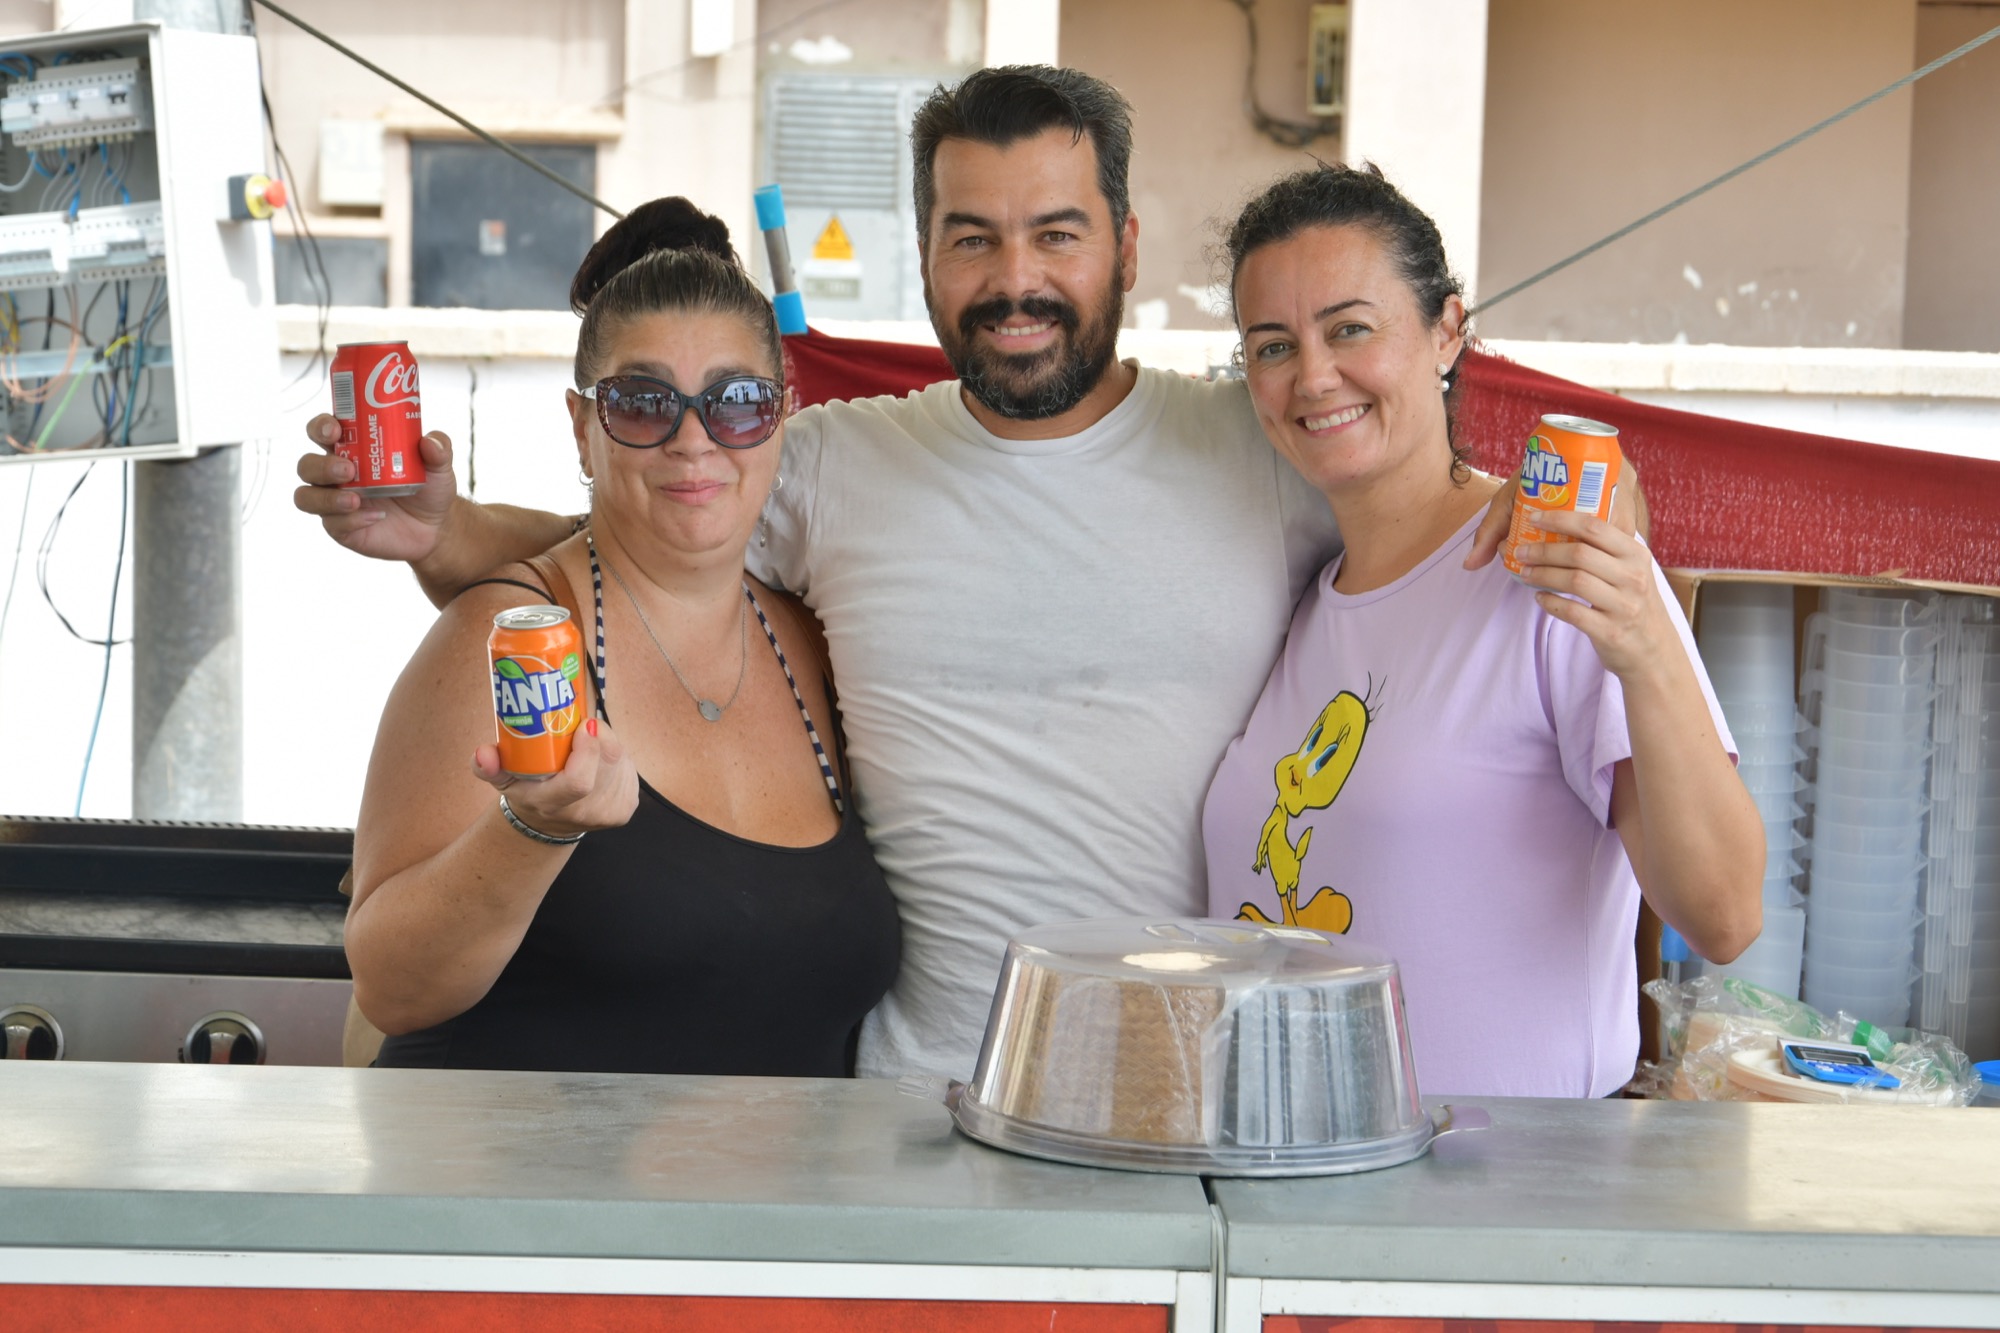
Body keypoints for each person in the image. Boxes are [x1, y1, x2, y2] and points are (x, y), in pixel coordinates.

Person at [296, 67, 1571, 1081]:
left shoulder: (1260, 443)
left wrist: (1581, 525)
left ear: (1125, 247)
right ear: (923, 254)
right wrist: (448, 530)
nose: (1015, 280)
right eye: (972, 238)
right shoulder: (831, 462)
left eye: (1055, 234)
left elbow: (1427, 515)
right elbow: (656, 532)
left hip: (1192, 1099)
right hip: (914, 1111)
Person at [1201, 164, 1763, 1098]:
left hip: (1502, 1182)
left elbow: (1724, 914)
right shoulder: (1302, 600)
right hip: (1284, 1170)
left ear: (1447, 331)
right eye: (1272, 345)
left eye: (1351, 328)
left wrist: (1641, 639)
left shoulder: (1559, 570)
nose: (1313, 376)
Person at [346, 198, 899, 1075]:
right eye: (643, 404)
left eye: (737, 403)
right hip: (510, 1166)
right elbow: (390, 989)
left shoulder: (820, 642)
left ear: (781, 418)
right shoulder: (505, 640)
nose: (693, 440)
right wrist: (532, 829)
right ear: (582, 428)